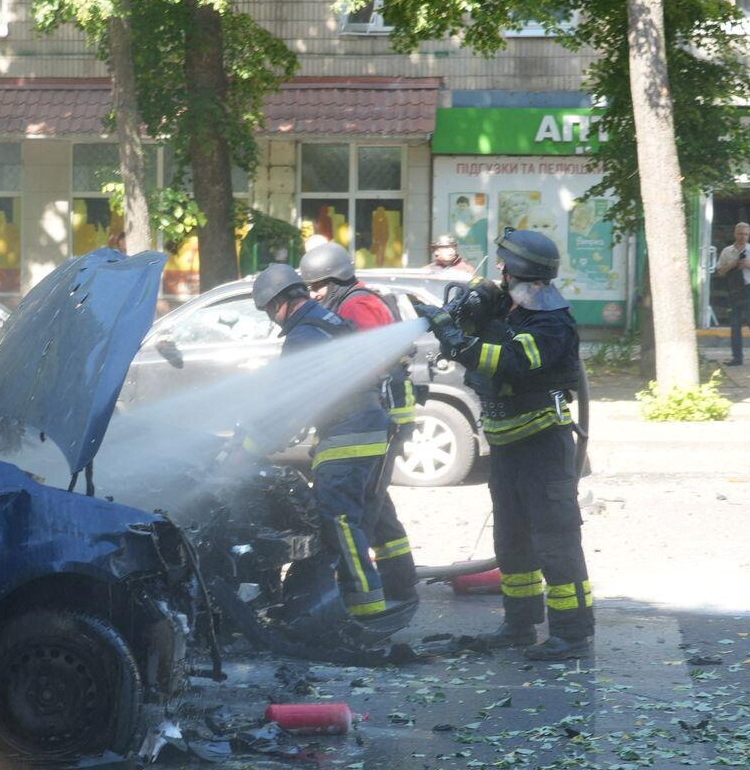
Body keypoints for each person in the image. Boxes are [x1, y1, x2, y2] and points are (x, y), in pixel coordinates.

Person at [424, 227, 593, 660]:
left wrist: (458, 342)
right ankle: (519, 624)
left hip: (542, 446)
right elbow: (482, 318)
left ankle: (571, 635)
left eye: (505, 265)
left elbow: (510, 361)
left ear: (522, 271)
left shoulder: (551, 322)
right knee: (512, 541)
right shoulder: (512, 305)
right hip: (507, 447)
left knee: (555, 543)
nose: (498, 270)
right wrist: (465, 308)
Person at [248, 264, 393, 624]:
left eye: (269, 310)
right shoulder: (327, 321)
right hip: (366, 429)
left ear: (281, 301)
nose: (272, 319)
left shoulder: (303, 337)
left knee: (339, 522)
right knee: (353, 521)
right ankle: (352, 600)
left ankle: (366, 611)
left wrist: (250, 447)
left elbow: (286, 403)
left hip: (349, 437)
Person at [297, 242, 418, 601]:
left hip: (385, 415)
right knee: (376, 504)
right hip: (385, 413)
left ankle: (370, 593)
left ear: (335, 281)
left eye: (318, 287)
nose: (315, 295)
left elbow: (365, 362)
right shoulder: (357, 300)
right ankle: (400, 581)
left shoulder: (358, 304)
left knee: (366, 508)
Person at [714, 222, 750, 366]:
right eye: (740, 234)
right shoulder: (727, 251)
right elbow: (719, 272)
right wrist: (733, 264)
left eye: (746, 234)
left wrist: (748, 265)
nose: (743, 237)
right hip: (734, 290)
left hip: (749, 289)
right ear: (735, 234)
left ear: (749, 235)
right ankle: (737, 357)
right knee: (735, 324)